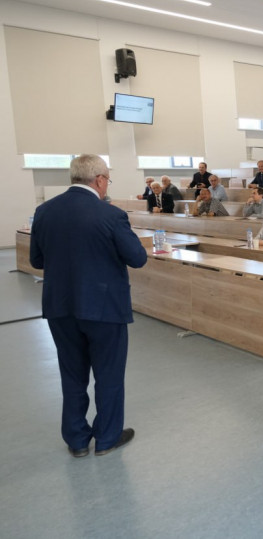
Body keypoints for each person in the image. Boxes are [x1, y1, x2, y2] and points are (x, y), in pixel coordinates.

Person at [29, 154, 147, 457]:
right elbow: (137, 258)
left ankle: (77, 440)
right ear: (100, 180)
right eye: (108, 179)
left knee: (71, 374)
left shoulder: (44, 211)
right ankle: (107, 438)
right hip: (104, 308)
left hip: (60, 306)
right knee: (108, 374)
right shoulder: (111, 214)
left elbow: (37, 260)